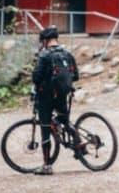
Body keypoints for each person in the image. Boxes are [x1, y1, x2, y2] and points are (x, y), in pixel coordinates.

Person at [31, 26, 79, 175]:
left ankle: (46, 166)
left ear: (45, 41)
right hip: (63, 94)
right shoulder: (67, 53)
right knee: (65, 120)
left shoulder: (44, 55)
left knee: (45, 128)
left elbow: (36, 78)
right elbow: (75, 76)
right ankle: (80, 145)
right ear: (56, 39)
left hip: (46, 96)